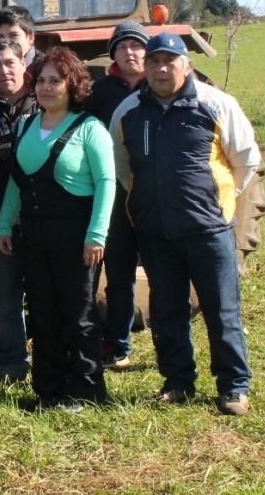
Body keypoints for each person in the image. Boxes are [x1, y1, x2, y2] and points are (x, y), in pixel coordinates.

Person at [109, 33, 260, 416]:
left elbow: (244, 161)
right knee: (167, 310)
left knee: (221, 309)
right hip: (156, 232)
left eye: (169, 61)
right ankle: (178, 381)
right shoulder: (128, 111)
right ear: (145, 68)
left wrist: (217, 199)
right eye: (154, 62)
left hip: (209, 231)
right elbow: (123, 168)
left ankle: (233, 386)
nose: (161, 69)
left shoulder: (217, 105)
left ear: (186, 65)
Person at [0, 46, 115, 411]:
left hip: (75, 236)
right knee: (43, 314)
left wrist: (96, 235)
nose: (46, 88)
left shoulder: (89, 129)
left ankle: (84, 391)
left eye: (55, 81)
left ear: (72, 84)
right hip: (34, 235)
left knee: (77, 316)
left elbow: (107, 182)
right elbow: (17, 181)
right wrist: (4, 223)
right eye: (42, 81)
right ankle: (48, 390)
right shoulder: (27, 126)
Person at [86, 21, 149, 371]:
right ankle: (118, 345)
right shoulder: (101, 91)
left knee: (166, 273)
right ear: (113, 54)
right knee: (120, 272)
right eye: (122, 47)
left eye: (137, 46)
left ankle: (172, 347)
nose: (130, 52)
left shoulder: (161, 86)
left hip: (153, 192)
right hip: (114, 191)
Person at [0, 38, 37, 382]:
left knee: (47, 294)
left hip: (42, 215)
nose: (4, 70)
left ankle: (51, 357)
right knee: (4, 296)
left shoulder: (45, 100)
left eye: (10, 62)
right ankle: (13, 362)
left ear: (24, 63)